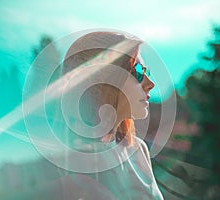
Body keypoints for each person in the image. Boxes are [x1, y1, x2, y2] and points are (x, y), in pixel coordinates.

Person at [47, 30, 164, 200]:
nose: (151, 84)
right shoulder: (69, 162)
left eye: (147, 73)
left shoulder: (138, 150)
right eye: (138, 72)